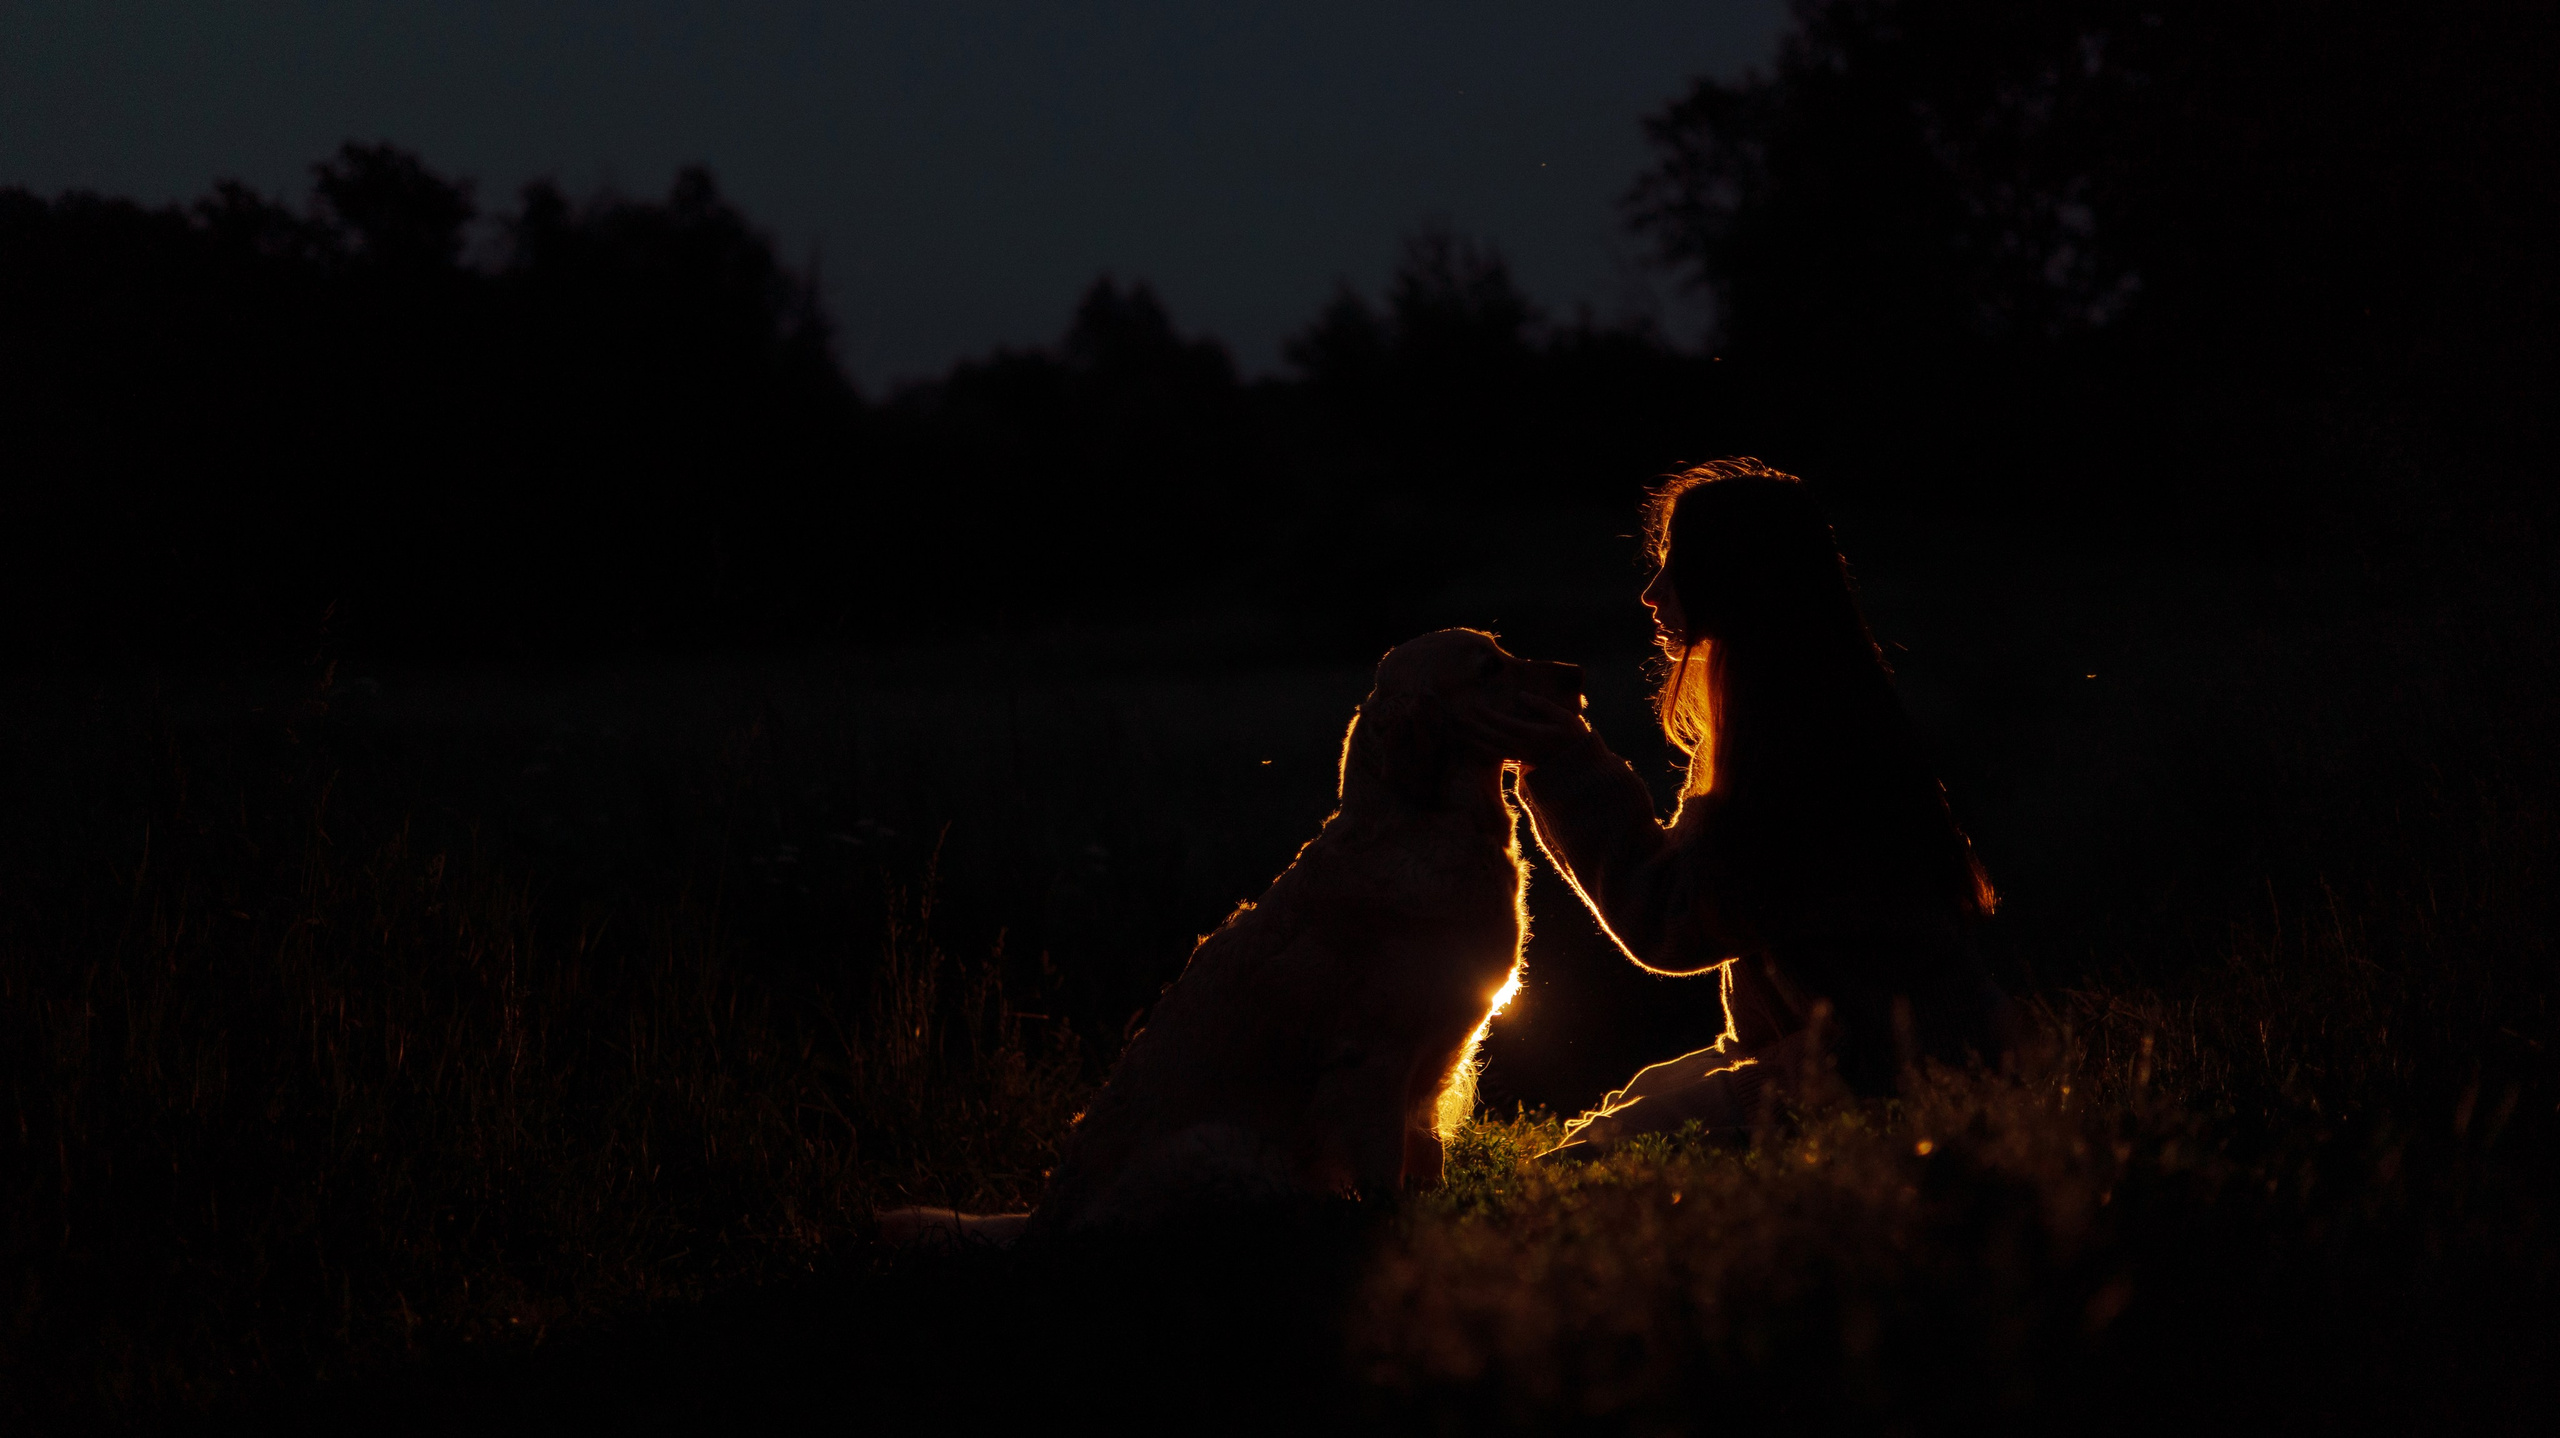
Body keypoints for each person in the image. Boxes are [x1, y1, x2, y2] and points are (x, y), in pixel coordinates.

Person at [1461, 460, 2015, 1152]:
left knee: (1588, 1160)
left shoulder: (1802, 749)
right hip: (1861, 1053)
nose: (1651, 592)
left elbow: (1669, 922)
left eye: (1676, 564)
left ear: (1736, 577)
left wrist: (1566, 765)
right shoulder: (1795, 713)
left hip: (1881, 1074)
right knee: (1626, 1109)